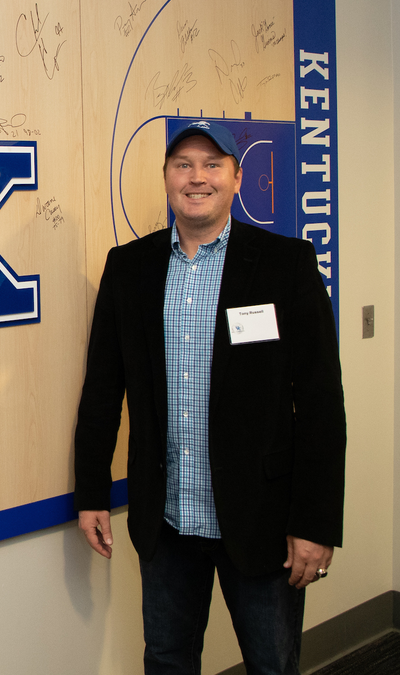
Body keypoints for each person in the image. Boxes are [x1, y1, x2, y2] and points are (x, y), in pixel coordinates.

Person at [73, 120, 345, 675]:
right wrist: (92, 493)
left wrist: (317, 522)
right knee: (168, 660)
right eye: (183, 166)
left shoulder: (285, 264)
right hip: (168, 518)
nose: (197, 178)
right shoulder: (130, 268)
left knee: (272, 664)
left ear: (237, 178)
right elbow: (103, 389)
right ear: (167, 178)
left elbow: (320, 402)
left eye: (212, 165)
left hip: (261, 519)